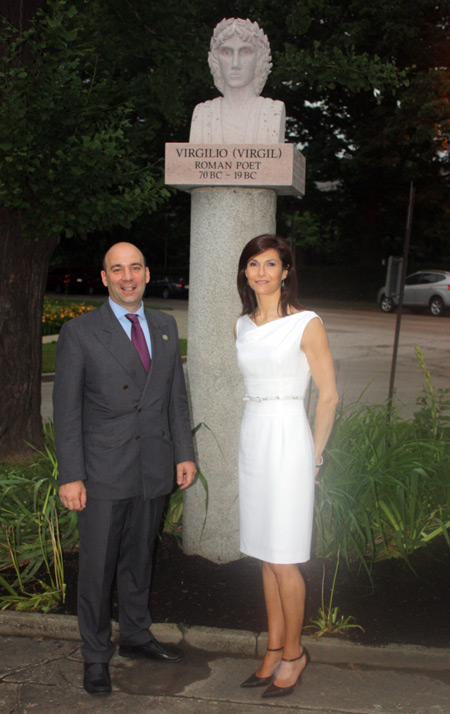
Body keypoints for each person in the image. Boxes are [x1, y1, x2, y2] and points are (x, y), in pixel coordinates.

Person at [53, 242, 196, 696]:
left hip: (153, 466)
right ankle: (95, 656)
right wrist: (70, 475)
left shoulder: (166, 326)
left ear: (148, 274)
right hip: (102, 471)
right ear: (105, 278)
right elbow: (67, 410)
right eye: (118, 269)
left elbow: (176, 396)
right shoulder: (79, 332)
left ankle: (135, 635)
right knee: (97, 569)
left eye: (135, 267)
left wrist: (184, 452)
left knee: (139, 560)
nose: (127, 276)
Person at [234, 235, 338, 699]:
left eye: (270, 263)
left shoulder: (306, 323)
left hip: (288, 440)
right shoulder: (242, 325)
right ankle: (274, 647)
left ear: (286, 271)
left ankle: (295, 653)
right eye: (253, 264)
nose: (261, 272)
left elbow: (329, 395)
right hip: (253, 435)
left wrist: (313, 454)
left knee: (284, 556)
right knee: (263, 551)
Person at [189, 17, 285, 144]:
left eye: (245, 52)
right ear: (216, 59)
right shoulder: (202, 114)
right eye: (227, 52)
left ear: (259, 58)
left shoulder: (272, 112)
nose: (235, 64)